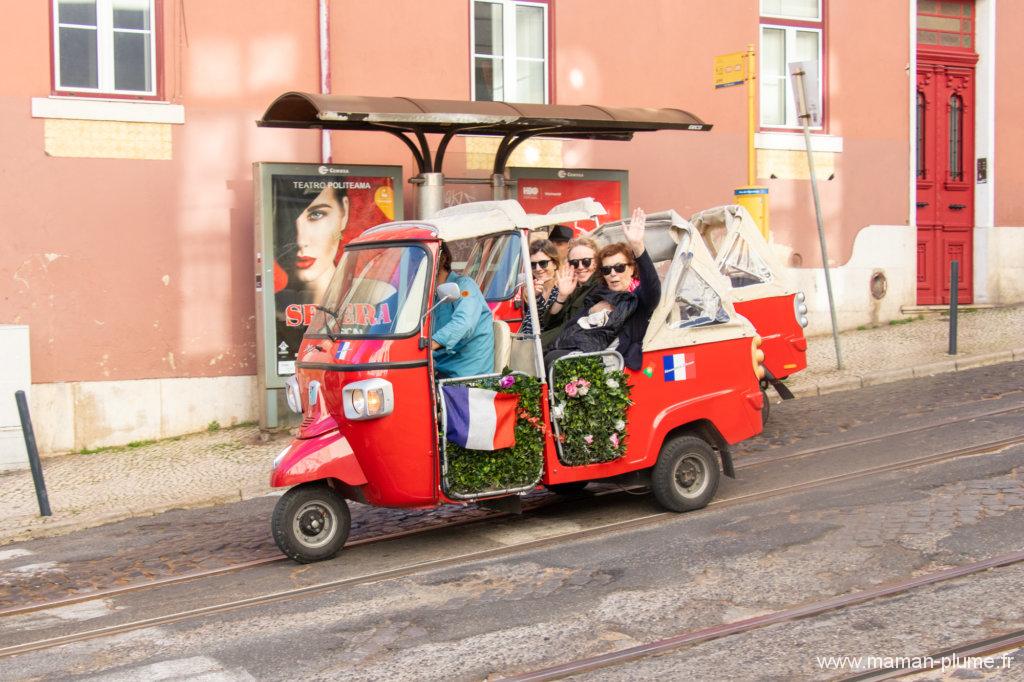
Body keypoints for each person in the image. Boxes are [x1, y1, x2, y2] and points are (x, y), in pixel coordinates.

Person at [545, 208, 660, 371]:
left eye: (619, 268)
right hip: (587, 353)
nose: (612, 274)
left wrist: (638, 246)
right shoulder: (600, 295)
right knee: (549, 356)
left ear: (632, 269)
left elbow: (652, 289)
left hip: (615, 364)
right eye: (606, 270)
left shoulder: (638, 297)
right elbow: (569, 327)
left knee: (554, 360)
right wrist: (568, 299)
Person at [431, 241, 495, 378]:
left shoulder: (464, 286)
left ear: (443, 258)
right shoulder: (432, 294)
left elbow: (464, 322)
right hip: (442, 368)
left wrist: (431, 344)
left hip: (466, 373)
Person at [540, 236, 601, 348]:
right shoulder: (572, 285)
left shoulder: (600, 287)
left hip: (566, 347)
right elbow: (548, 323)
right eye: (575, 263)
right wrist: (562, 296)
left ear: (596, 262)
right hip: (552, 342)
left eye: (586, 262)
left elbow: (575, 327)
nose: (581, 267)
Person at [519, 240, 561, 336]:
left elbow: (547, 323)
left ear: (554, 264)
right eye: (533, 264)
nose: (538, 269)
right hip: (526, 344)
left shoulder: (562, 289)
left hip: (546, 346)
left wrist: (537, 298)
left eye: (543, 263)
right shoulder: (530, 289)